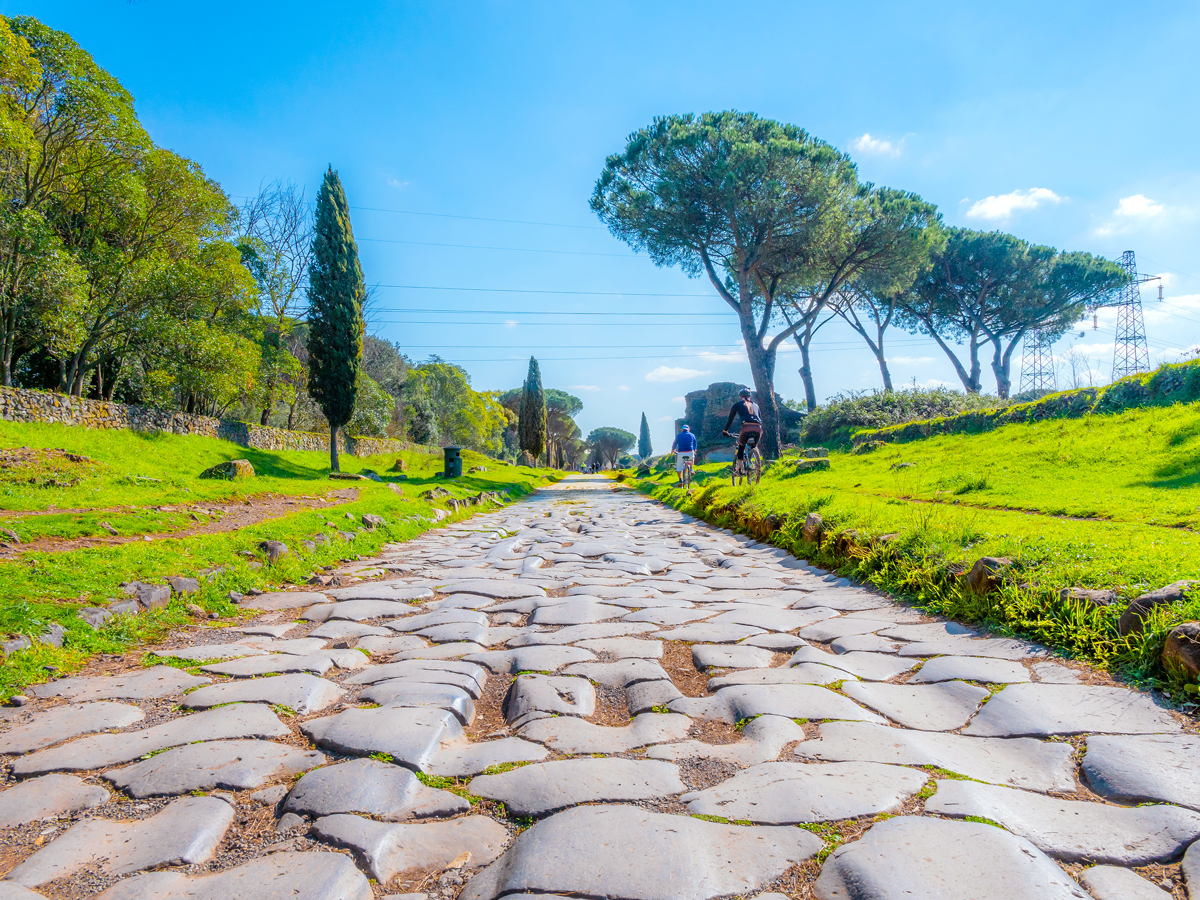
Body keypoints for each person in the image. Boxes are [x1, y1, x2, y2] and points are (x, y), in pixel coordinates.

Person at [721, 388, 763, 461]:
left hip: (746, 427)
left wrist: (725, 431)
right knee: (753, 445)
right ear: (750, 396)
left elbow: (730, 420)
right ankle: (755, 461)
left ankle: (740, 469)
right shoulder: (755, 405)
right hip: (758, 427)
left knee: (741, 446)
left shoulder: (737, 405)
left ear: (740, 396)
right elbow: (759, 417)